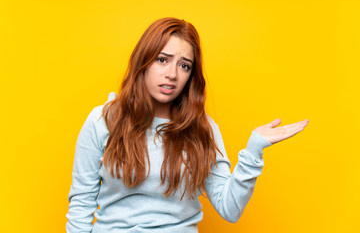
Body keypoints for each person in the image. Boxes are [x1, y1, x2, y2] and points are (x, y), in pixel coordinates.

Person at [66, 17, 309, 233]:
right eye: (162, 60)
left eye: (184, 65)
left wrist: (253, 152)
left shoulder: (203, 129)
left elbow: (229, 209)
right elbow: (81, 205)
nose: (172, 74)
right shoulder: (103, 121)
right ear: (144, 62)